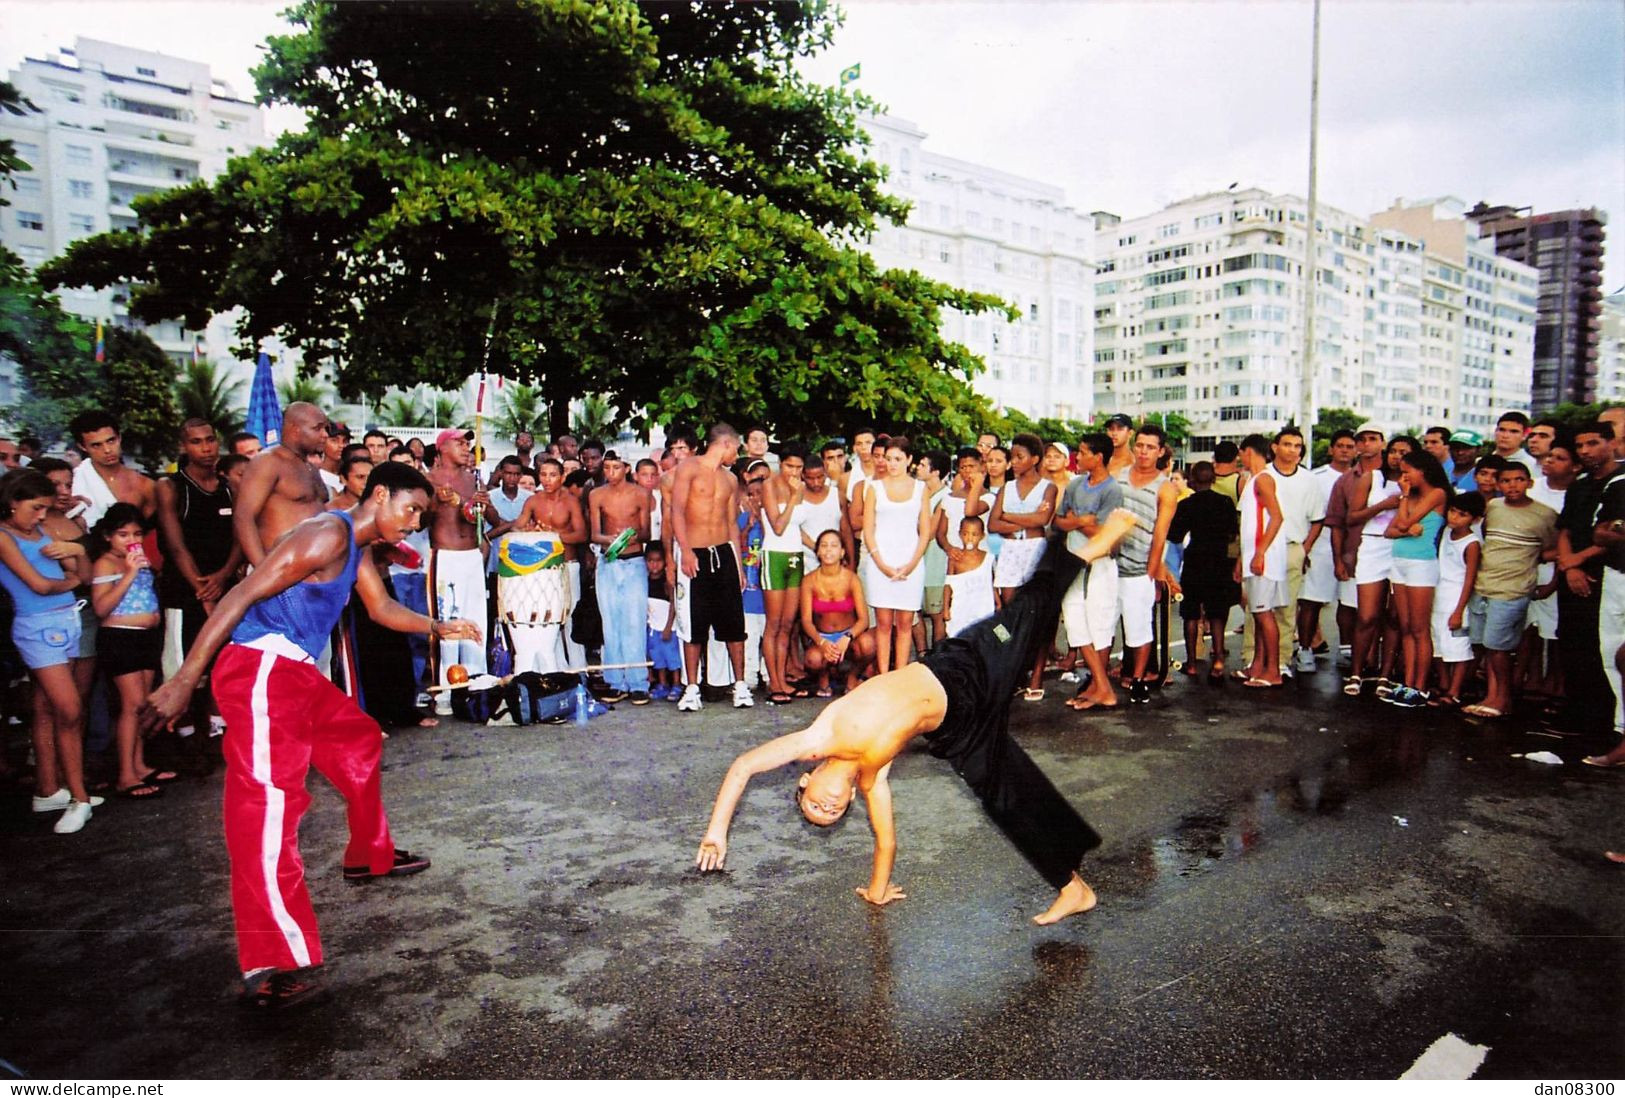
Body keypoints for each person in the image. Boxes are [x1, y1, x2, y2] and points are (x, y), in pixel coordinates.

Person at [139, 462, 480, 1012]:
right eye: (409, 509)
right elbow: (240, 596)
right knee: (270, 813)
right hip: (260, 671)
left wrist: (439, 627)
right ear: (379, 495)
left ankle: (369, 855)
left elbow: (383, 609)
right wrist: (183, 679)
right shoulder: (325, 533)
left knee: (359, 740)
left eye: (422, 514)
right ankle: (270, 963)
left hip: (295, 673)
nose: (415, 523)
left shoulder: (359, 549)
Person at [695, 511, 1137, 926]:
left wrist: (717, 833)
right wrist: (877, 889)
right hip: (957, 729)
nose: (825, 809)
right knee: (1004, 799)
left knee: (1024, 613)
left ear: (806, 780)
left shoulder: (820, 736)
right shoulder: (872, 778)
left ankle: (1091, 546)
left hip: (962, 670)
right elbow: (886, 841)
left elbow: (744, 766)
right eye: (830, 816)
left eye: (814, 806)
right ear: (847, 803)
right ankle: (1073, 887)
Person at [0, 470, 101, 833]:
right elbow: (40, 585)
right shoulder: (3, 536)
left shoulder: (39, 531)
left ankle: (48, 790)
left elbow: (85, 574)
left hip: (66, 622)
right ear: (13, 502)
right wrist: (73, 579)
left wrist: (77, 552)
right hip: (38, 626)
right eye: (36, 507)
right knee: (70, 710)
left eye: (45, 509)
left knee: (47, 707)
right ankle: (79, 797)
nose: (42, 515)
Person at [1463, 463, 1558, 720]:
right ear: (1498, 484)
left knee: (1500, 649)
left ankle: (1503, 699)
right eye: (1506, 480)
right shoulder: (1493, 507)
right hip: (1483, 586)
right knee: (1488, 647)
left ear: (1529, 482)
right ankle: (1491, 697)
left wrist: (1544, 574)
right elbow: (1488, 540)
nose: (1512, 485)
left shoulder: (1545, 515)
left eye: (1518, 480)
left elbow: (1555, 550)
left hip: (1513, 590)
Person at [671, 423, 752, 711]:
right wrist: (686, 551)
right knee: (694, 624)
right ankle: (692, 687)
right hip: (695, 553)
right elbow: (677, 510)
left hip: (723, 553)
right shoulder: (690, 468)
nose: (737, 453)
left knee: (733, 622)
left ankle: (740, 685)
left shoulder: (730, 480)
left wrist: (739, 567)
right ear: (727, 444)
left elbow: (731, 523)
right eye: (737, 447)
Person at [89, 504, 168, 798]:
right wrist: (129, 573)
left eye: (136, 533)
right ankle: (124, 774)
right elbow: (102, 608)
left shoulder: (141, 559)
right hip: (120, 638)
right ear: (109, 536)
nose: (130, 540)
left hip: (145, 638)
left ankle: (139, 765)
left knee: (142, 704)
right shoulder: (106, 564)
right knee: (131, 706)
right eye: (123, 534)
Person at [1551, 421, 1624, 736]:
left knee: (1601, 647)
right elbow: (1565, 529)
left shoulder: (1619, 482)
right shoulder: (1580, 484)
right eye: (1580, 446)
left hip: (1603, 575)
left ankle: (1605, 721)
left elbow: (1613, 536)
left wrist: (1579, 562)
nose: (1585, 451)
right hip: (1572, 573)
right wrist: (1569, 566)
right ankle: (1576, 713)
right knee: (1571, 642)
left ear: (1611, 443)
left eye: (1592, 443)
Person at [424, 428, 493, 712]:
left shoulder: (474, 478)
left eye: (468, 443)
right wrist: (435, 502)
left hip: (472, 558)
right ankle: (445, 690)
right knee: (448, 623)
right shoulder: (428, 479)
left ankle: (475, 683)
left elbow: (491, 519)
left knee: (476, 621)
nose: (467, 448)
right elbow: (420, 521)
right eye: (460, 443)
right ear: (442, 448)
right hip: (446, 559)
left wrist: (483, 504)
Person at [1055, 433, 1124, 709]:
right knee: (1075, 621)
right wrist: (1081, 522)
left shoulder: (1112, 490)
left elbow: (1107, 533)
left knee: (1099, 623)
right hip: (1074, 561)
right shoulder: (1074, 485)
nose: (1078, 457)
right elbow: (1060, 520)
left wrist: (1078, 522)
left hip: (1100, 563)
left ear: (1098, 457)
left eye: (1083, 453)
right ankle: (1101, 686)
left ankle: (1099, 686)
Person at [1114, 424, 1180, 704]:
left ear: (1160, 451)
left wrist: (1153, 575)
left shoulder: (1165, 489)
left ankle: (1139, 678)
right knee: (1104, 626)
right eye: (1139, 445)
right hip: (1109, 566)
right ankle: (1101, 678)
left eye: (1150, 447)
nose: (1143, 452)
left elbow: (1160, 536)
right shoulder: (1116, 478)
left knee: (1139, 627)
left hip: (1139, 569)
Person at [1383, 451, 1451, 707]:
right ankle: (1408, 682)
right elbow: (1392, 531)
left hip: (1421, 564)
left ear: (1422, 470)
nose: (1404, 477)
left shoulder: (1437, 494)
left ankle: (1420, 687)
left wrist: (1402, 500)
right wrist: (1405, 526)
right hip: (1399, 561)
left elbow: (1404, 523)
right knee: (1406, 626)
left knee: (1420, 628)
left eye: (1407, 471)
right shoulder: (1411, 497)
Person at [1344, 436, 1410, 697]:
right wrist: (1383, 505)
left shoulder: (1416, 482)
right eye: (1392, 451)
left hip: (1403, 548)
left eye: (1403, 452)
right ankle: (1357, 673)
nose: (1396, 456)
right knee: (1367, 615)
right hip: (1373, 545)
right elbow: (1352, 517)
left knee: (1394, 617)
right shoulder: (1371, 478)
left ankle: (1385, 675)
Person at [863, 437, 934, 676]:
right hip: (880, 562)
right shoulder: (874, 488)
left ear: (909, 460)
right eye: (888, 458)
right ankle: (883, 676)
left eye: (898, 459)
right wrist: (881, 564)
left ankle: (900, 676)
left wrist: (912, 564)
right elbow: (868, 530)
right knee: (883, 624)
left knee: (905, 623)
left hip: (910, 563)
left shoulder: (921, 489)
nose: (892, 464)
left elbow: (925, 531)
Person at [587, 450, 652, 705]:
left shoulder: (640, 494)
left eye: (615, 467)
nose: (610, 472)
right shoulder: (596, 495)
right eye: (607, 467)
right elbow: (594, 533)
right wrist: (610, 540)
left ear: (626, 468)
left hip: (634, 562)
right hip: (609, 562)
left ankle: (638, 683)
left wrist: (631, 537)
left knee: (634, 622)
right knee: (611, 622)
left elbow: (646, 532)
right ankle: (615, 682)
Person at [1166, 461, 1237, 688]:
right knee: (1217, 612)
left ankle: (1192, 662)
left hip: (1195, 559)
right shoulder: (1225, 502)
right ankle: (1217, 660)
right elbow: (1232, 533)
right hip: (1219, 560)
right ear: (1214, 478)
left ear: (1193, 480)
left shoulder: (1187, 504)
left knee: (1191, 613)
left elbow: (1175, 535)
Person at [233, 403, 331, 568]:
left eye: (325, 429)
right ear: (295, 429)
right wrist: (263, 571)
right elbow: (243, 518)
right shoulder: (268, 462)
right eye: (317, 428)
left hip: (313, 571)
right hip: (280, 571)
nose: (325, 435)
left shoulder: (310, 467)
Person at [989, 435, 1057, 634]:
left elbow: (1042, 520)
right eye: (1013, 457)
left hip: (1035, 548)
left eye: (1020, 457)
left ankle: (1032, 655)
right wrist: (1026, 521)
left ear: (1035, 459)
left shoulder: (1048, 487)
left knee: (1034, 605)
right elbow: (993, 524)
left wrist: (1007, 516)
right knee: (1007, 603)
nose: (1015, 462)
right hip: (1010, 549)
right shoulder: (1006, 488)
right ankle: (1005, 647)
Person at [1233, 435, 1286, 689]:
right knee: (1257, 612)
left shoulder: (1264, 479)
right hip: (1255, 556)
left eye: (1241, 453)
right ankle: (1258, 665)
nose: (1239, 458)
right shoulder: (1253, 480)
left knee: (1264, 614)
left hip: (1264, 559)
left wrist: (1260, 553)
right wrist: (1243, 559)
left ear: (1248, 452)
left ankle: (1273, 671)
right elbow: (1250, 525)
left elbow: (1276, 517)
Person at [1300, 429, 1356, 664]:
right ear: (1331, 449)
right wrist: (1306, 548)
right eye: (1340, 445)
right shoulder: (1316, 477)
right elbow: (1307, 514)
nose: (1345, 450)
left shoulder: (1363, 477)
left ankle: (1347, 649)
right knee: (1312, 600)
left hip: (1352, 547)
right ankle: (1305, 650)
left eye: (1350, 446)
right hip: (1321, 546)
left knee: (1349, 602)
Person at [799, 528, 876, 696]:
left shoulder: (851, 579)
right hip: (822, 637)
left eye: (834, 546)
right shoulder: (809, 581)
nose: (828, 550)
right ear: (818, 552)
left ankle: (852, 678)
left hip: (847, 636)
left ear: (842, 552)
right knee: (813, 659)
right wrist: (822, 642)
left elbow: (864, 620)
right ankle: (823, 679)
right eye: (824, 546)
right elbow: (806, 621)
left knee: (869, 644)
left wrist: (847, 638)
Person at [760, 443, 808, 703]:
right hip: (774, 555)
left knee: (788, 624)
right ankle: (774, 681)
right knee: (774, 623)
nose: (795, 472)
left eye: (799, 467)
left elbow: (799, 527)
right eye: (790, 466)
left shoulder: (800, 486)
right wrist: (792, 496)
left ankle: (783, 677)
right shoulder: (770, 485)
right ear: (781, 463)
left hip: (795, 555)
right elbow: (778, 526)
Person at [1430, 492, 1484, 709]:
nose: (1454, 517)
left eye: (1462, 515)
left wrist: (1459, 610)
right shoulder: (1445, 532)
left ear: (1474, 519)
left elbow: (1469, 580)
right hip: (1438, 597)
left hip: (1456, 601)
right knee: (1438, 644)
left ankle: (1455, 690)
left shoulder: (1472, 544)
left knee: (1458, 647)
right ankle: (1444, 684)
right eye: (1453, 511)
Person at [68, 410, 156, 527]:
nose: (107, 450)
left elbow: (147, 534)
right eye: (96, 445)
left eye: (111, 441)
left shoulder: (144, 485)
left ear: (119, 438)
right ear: (82, 447)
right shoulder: (72, 481)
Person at [943, 515, 996, 640]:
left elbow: (991, 582)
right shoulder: (955, 559)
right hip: (962, 608)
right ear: (960, 535)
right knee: (959, 637)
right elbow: (948, 585)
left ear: (982, 536)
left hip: (983, 607)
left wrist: (997, 601)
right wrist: (946, 609)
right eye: (965, 534)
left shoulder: (988, 557)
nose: (969, 538)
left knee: (994, 635)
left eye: (974, 534)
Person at [645, 543, 681, 701]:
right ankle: (662, 684)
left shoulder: (667, 583)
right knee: (657, 658)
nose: (654, 564)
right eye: (650, 560)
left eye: (658, 560)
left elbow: (673, 605)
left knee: (672, 658)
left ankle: (676, 684)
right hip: (653, 628)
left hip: (668, 628)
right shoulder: (644, 581)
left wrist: (668, 627)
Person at [1103, 414, 1134, 478]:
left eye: (1120, 429)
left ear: (1130, 433)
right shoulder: (1100, 460)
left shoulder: (1135, 463)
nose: (1114, 433)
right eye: (1111, 429)